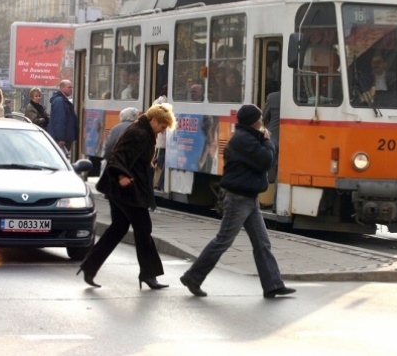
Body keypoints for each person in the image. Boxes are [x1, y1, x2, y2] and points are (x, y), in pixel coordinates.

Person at [180, 104, 296, 299]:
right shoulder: (243, 140)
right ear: (253, 121)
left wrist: (262, 138)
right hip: (239, 199)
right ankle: (193, 276)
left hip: (249, 198)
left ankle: (273, 285)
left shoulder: (246, 137)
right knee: (223, 240)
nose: (262, 121)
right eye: (259, 118)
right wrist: (267, 141)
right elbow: (266, 160)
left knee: (262, 243)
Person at [78, 103, 176, 290]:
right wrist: (122, 176)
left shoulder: (145, 131)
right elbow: (118, 156)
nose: (163, 131)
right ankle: (149, 274)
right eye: (163, 127)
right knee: (143, 229)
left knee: (118, 228)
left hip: (123, 190)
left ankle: (89, 267)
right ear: (154, 120)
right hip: (128, 190)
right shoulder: (138, 133)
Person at [48, 80, 78, 152]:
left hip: (65, 138)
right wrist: (61, 138)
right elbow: (60, 120)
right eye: (69, 87)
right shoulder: (60, 101)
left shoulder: (63, 100)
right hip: (62, 140)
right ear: (62, 88)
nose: (71, 89)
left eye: (72, 87)